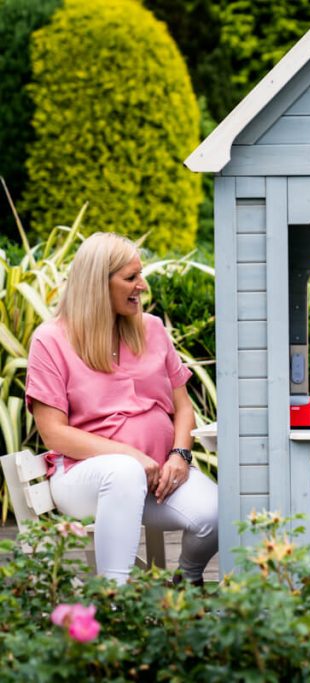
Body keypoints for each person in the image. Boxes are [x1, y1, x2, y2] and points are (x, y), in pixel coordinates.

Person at [26, 232, 218, 585]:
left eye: (140, 275)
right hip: (85, 479)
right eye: (130, 278)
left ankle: (187, 582)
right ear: (99, 283)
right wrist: (131, 456)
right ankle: (114, 600)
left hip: (156, 476)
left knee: (216, 513)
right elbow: (53, 431)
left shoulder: (152, 329)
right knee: (123, 471)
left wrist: (180, 456)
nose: (142, 285)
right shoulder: (51, 340)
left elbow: (183, 407)